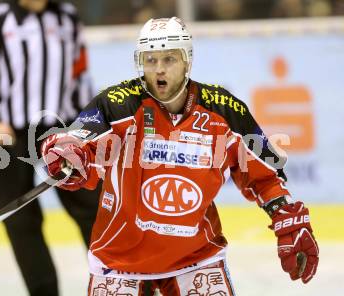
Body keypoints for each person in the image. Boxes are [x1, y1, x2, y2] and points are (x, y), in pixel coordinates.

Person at [41, 17, 319, 295]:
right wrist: (65, 153)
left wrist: (285, 216)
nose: (159, 70)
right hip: (119, 260)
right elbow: (77, 141)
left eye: (169, 59)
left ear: (187, 61)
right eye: (151, 60)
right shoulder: (116, 104)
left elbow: (264, 175)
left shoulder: (225, 111)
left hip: (197, 259)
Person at [0, 0, 100, 295]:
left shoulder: (67, 17)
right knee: (18, 217)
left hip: (60, 129)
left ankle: (113, 282)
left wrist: (86, 126)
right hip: (11, 131)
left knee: (92, 207)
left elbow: (80, 74)